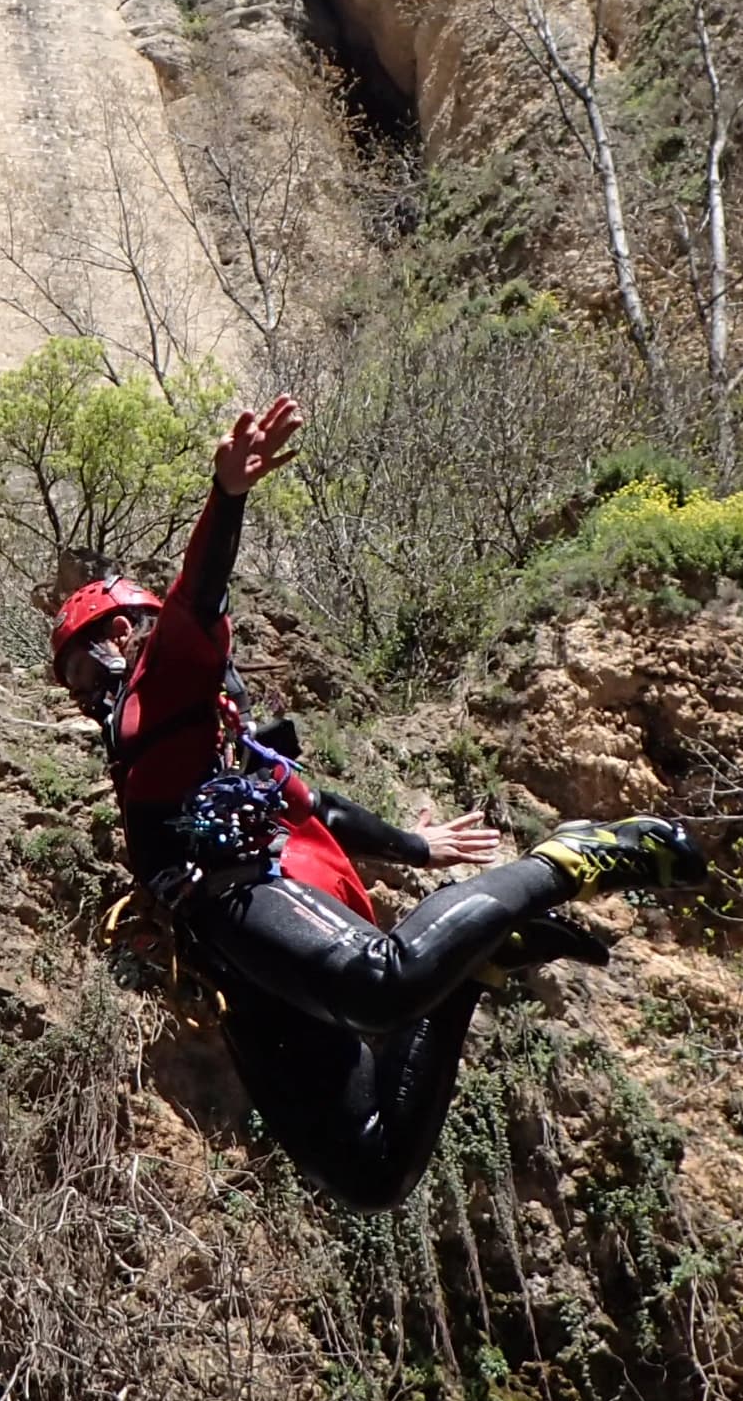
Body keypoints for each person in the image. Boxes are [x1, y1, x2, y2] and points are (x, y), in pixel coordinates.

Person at [57, 395, 701, 1210]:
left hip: (248, 898)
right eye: (73, 679)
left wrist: (226, 497)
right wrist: (417, 848)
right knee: (367, 1169)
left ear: (122, 641)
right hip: (238, 955)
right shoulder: (184, 746)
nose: (84, 692)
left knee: (380, 986)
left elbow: (197, 598)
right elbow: (316, 805)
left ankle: (570, 859)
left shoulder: (159, 683)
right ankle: (476, 964)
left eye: (87, 663)